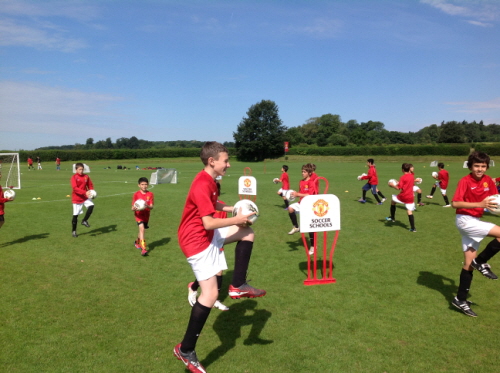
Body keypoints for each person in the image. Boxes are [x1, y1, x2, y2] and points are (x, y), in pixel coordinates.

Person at [174, 141, 265, 372]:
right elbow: (208, 221)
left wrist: (234, 208)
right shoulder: (201, 183)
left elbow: (212, 205)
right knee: (211, 293)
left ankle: (237, 285)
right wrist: (237, 218)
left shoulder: (211, 181)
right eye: (225, 160)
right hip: (196, 240)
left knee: (248, 233)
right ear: (212, 161)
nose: (229, 164)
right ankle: (185, 350)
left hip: (206, 234)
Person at [450, 151, 500, 317]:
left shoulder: (487, 181)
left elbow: (495, 199)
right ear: (470, 166)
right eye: (476, 166)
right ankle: (482, 261)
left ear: (487, 166)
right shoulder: (465, 181)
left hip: (475, 221)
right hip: (465, 220)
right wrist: (480, 203)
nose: (480, 169)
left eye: (483, 166)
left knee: (468, 264)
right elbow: (455, 203)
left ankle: (460, 299)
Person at [188, 181, 229, 312]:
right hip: (204, 243)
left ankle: (215, 300)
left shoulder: (222, 206)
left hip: (217, 242)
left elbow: (224, 225)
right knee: (208, 272)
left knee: (219, 271)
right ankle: (193, 287)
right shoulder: (202, 205)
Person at [286, 164, 318, 255]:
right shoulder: (301, 182)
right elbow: (301, 193)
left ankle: (313, 246)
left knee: (310, 227)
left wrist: (297, 194)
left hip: (310, 205)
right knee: (290, 208)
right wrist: (293, 195)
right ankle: (296, 227)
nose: (302, 173)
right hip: (301, 203)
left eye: (304, 172)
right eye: (302, 171)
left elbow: (310, 195)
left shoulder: (312, 182)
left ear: (309, 173)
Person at [385, 163, 417, 232]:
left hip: (403, 196)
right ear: (409, 169)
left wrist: (392, 185)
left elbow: (398, 188)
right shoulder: (412, 176)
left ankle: (392, 218)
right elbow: (405, 184)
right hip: (410, 197)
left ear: (402, 170)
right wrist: (398, 182)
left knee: (393, 201)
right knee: (409, 211)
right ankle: (413, 228)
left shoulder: (402, 177)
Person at [70, 163, 94, 237]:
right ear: (76, 170)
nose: (81, 171)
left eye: (82, 169)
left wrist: (91, 191)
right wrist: (85, 192)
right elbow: (75, 188)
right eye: (79, 169)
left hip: (85, 197)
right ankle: (74, 231)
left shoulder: (86, 176)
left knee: (91, 206)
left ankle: (84, 220)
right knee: (75, 216)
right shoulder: (74, 177)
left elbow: (90, 185)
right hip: (77, 198)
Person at [132, 177, 154, 256]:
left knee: (141, 230)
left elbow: (152, 206)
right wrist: (133, 208)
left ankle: (136, 242)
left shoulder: (150, 194)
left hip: (146, 215)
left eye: (145, 184)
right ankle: (144, 249)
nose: (144, 186)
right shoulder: (136, 194)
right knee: (142, 229)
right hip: (138, 215)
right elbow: (132, 207)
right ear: (139, 185)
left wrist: (147, 206)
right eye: (142, 184)